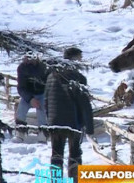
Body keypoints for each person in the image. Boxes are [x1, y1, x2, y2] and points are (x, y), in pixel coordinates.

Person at [45, 47, 94, 181]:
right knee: (75, 154)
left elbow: (46, 100)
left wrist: (49, 121)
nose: (81, 61)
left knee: (56, 155)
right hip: (73, 123)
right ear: (74, 59)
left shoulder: (51, 76)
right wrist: (89, 127)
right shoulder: (78, 77)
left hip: (55, 123)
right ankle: (74, 180)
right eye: (79, 58)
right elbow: (84, 104)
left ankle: (55, 180)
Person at [12, 51, 47, 143]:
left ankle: (43, 134)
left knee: (42, 110)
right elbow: (21, 88)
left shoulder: (43, 67)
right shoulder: (22, 68)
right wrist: (30, 99)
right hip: (28, 94)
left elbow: (48, 84)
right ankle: (20, 133)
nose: (28, 60)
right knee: (21, 110)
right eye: (27, 57)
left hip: (42, 93)